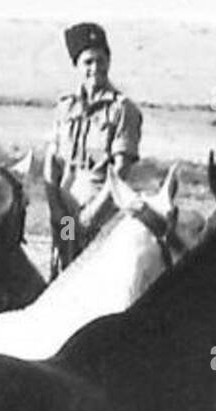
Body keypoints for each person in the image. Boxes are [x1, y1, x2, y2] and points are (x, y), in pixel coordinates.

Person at [45, 22, 143, 274]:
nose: (95, 68)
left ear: (109, 61)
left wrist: (92, 215)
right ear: (77, 65)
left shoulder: (123, 109)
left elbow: (121, 169)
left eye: (101, 60)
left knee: (95, 275)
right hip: (66, 212)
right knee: (63, 269)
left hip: (103, 214)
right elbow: (52, 162)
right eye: (88, 62)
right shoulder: (65, 107)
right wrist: (56, 208)